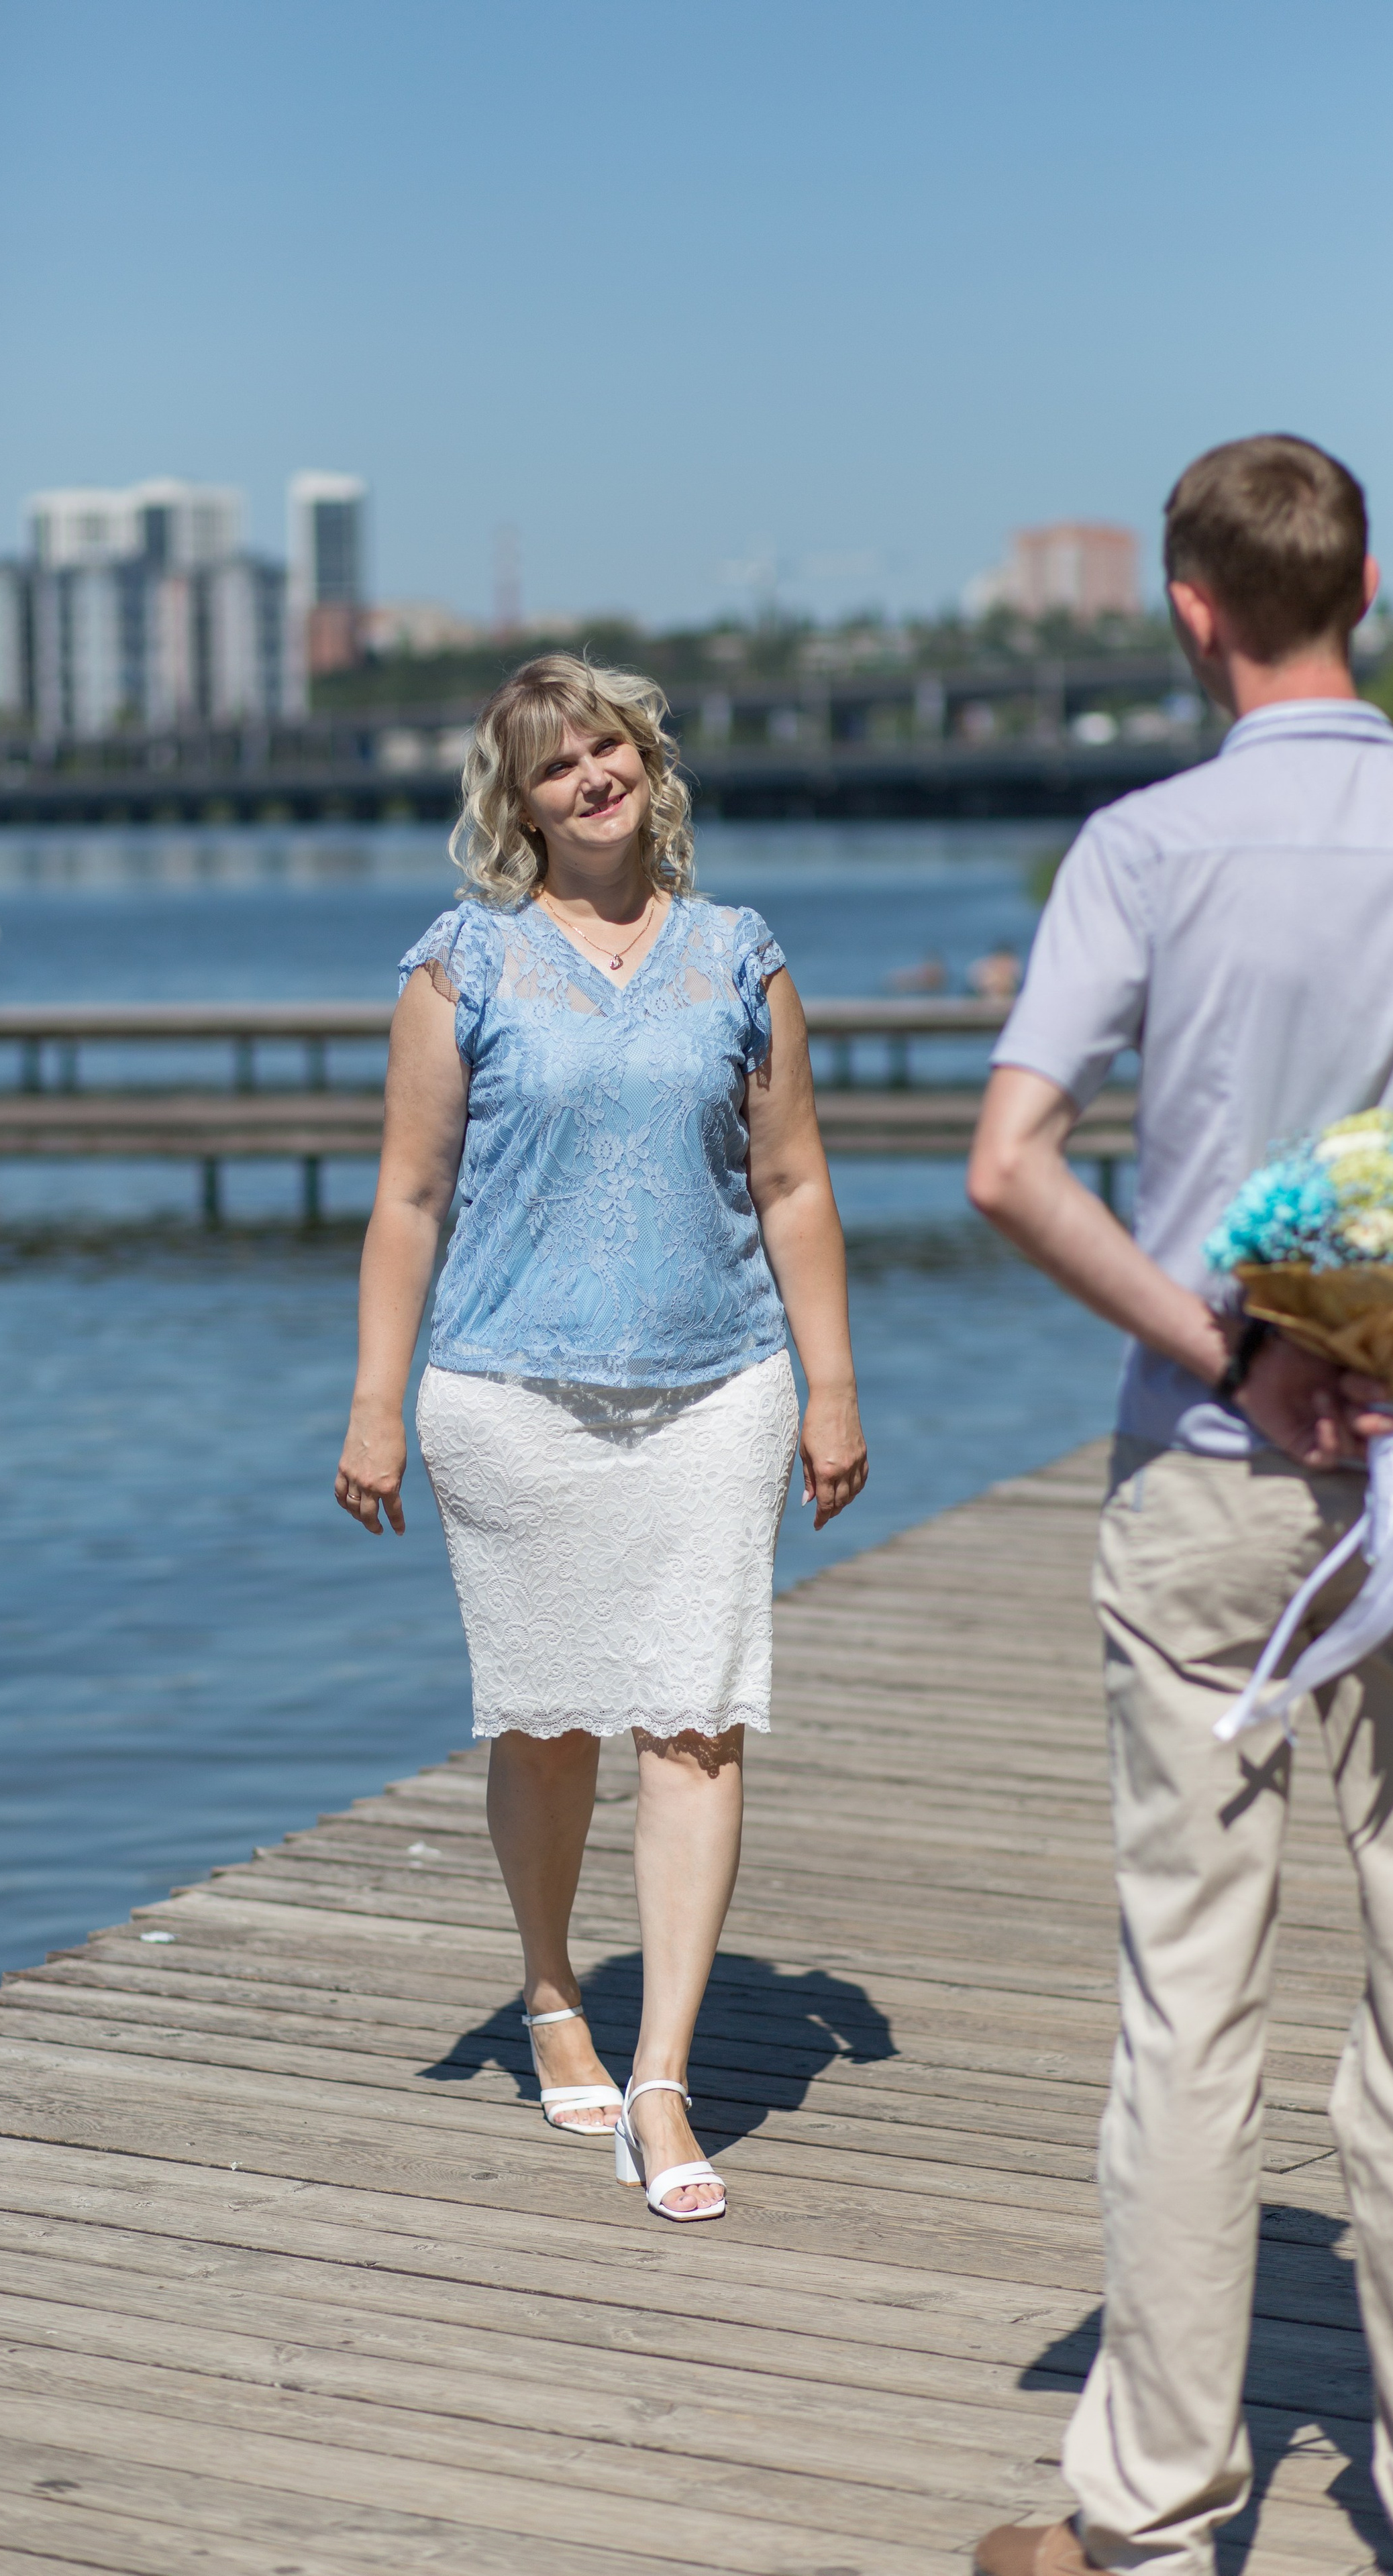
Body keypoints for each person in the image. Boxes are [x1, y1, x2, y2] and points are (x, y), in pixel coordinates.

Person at [966, 436, 1393, 2576]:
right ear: (1368, 589)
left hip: (1212, 1490)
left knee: (1186, 1995)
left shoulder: (1140, 852)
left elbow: (1008, 1158)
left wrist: (1240, 1349)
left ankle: (1142, 2510)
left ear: (1188, 607)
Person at [335, 653, 868, 2223]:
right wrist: (374, 1400)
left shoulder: (737, 954)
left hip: (718, 1386)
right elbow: (408, 1198)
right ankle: (551, 1987)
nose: (592, 777)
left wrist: (829, 1385)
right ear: (516, 802)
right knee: (550, 1720)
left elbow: (793, 1186)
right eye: (558, 762)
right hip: (509, 1392)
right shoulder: (463, 966)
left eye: (610, 747)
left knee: (695, 1719)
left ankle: (661, 2080)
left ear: (648, 763)